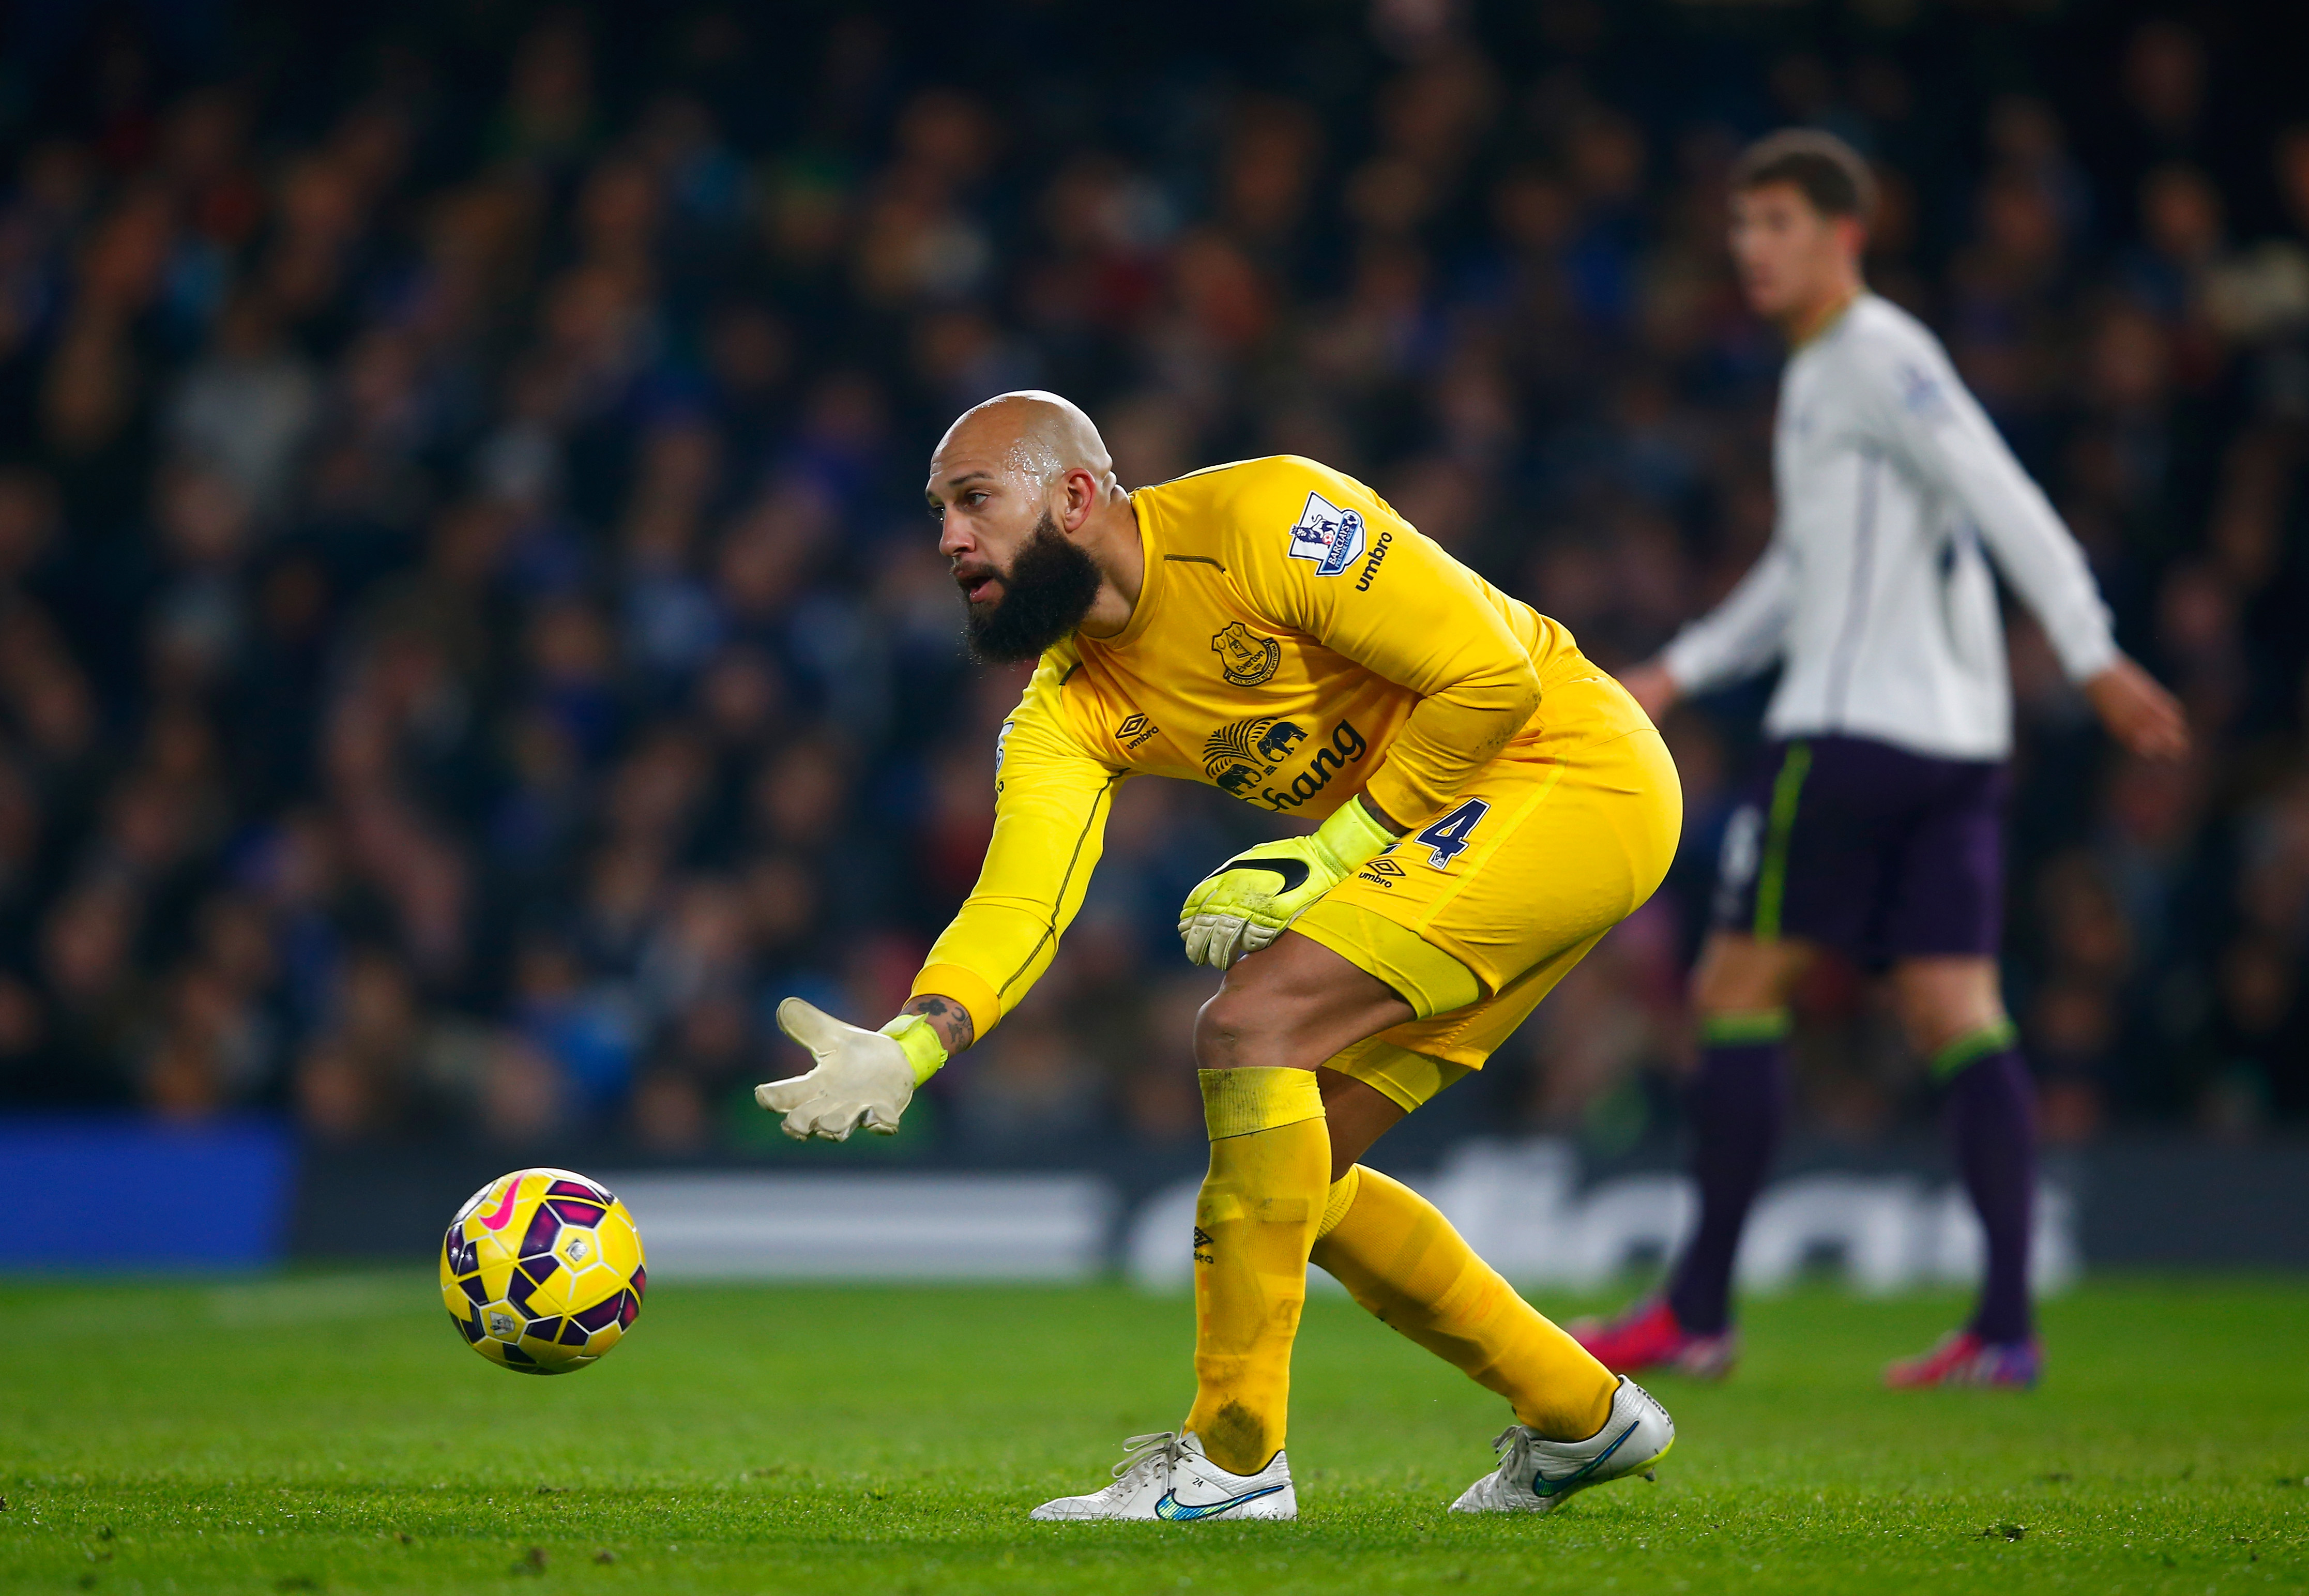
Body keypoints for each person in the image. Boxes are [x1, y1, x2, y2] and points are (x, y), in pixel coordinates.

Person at [755, 391, 1685, 1520]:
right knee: (1293, 1176)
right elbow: (1022, 898)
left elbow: (1494, 678)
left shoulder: (1267, 516)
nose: (949, 537)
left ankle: (1234, 1460)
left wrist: (1335, 848)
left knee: (1249, 1025)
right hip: (1461, 844)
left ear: (1079, 495)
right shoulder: (1063, 708)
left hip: (1572, 772)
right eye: (940, 511)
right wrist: (913, 1042)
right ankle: (1583, 1414)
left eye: (975, 500)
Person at [1575, 131, 2189, 1391]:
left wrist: (2089, 648)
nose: (1754, 248)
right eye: (1743, 226)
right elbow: (1813, 567)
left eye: (1781, 223)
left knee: (1734, 989)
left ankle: (1696, 1308)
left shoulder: (1871, 356)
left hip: (1850, 736)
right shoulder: (1838, 371)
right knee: (1954, 1006)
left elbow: (2000, 486)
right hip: (1959, 751)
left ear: (1845, 236)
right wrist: (1685, 667)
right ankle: (2006, 1327)